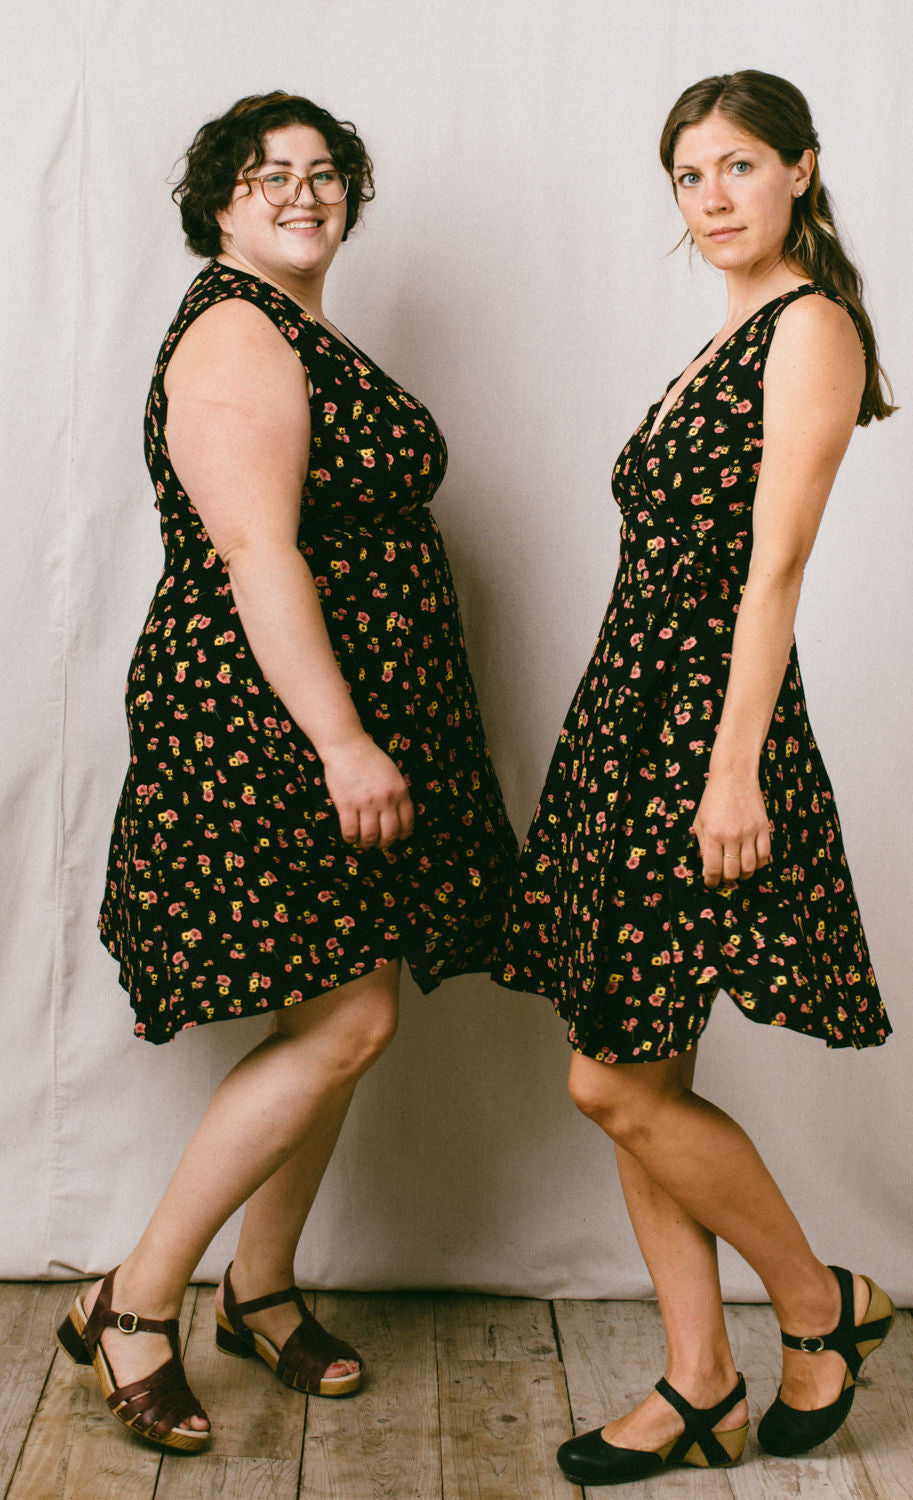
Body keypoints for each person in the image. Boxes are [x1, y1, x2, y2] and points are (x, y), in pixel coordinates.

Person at [57, 91, 516, 1453]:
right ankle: (134, 1303)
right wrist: (344, 742)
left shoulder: (296, 327)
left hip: (338, 713)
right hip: (270, 726)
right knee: (349, 1020)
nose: (304, 193)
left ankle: (258, 1291)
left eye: (324, 173)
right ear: (218, 204)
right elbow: (258, 555)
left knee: (347, 1002)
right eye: (269, 175)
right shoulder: (236, 332)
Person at [495, 70, 896, 1483]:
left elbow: (773, 572)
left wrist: (732, 774)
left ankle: (820, 1302)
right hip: (631, 721)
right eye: (688, 174)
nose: (712, 197)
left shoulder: (811, 327)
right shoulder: (720, 338)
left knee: (611, 1083)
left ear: (801, 169)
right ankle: (702, 1381)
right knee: (638, 1055)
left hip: (706, 735)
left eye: (737, 165)